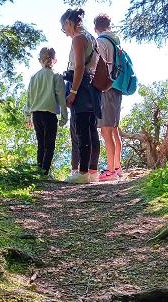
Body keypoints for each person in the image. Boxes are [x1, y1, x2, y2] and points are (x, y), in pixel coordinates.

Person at [61, 8, 101, 184]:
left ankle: (83, 172)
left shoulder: (78, 38)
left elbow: (78, 67)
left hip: (81, 87)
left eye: (64, 27)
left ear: (69, 23)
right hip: (91, 87)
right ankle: (92, 171)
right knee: (91, 129)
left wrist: (73, 92)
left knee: (82, 129)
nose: (65, 32)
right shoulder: (91, 38)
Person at [25, 47, 68, 177]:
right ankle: (44, 172)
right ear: (54, 60)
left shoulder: (34, 77)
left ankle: (39, 171)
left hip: (36, 114)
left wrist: (27, 115)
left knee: (40, 144)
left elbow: (29, 97)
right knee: (49, 145)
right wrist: (64, 116)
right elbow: (61, 97)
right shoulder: (57, 76)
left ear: (39, 60)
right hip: (49, 115)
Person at [94, 14, 123, 181]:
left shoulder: (101, 42)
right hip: (117, 87)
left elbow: (98, 66)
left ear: (96, 27)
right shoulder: (115, 41)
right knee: (114, 128)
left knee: (106, 130)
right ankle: (117, 167)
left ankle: (111, 171)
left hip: (106, 88)